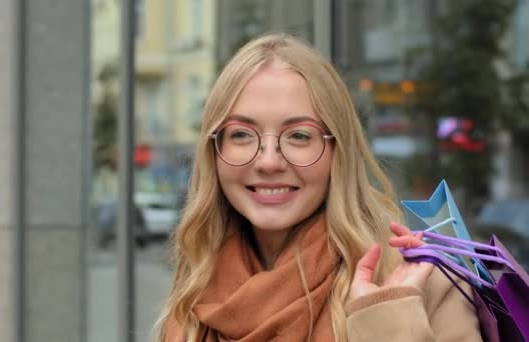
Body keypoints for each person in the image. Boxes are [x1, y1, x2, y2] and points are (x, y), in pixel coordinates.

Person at [156, 33, 481, 341]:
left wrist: (390, 321)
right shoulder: (198, 288)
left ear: (337, 151)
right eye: (241, 134)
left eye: (299, 135)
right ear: (216, 150)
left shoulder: (421, 284)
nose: (269, 162)